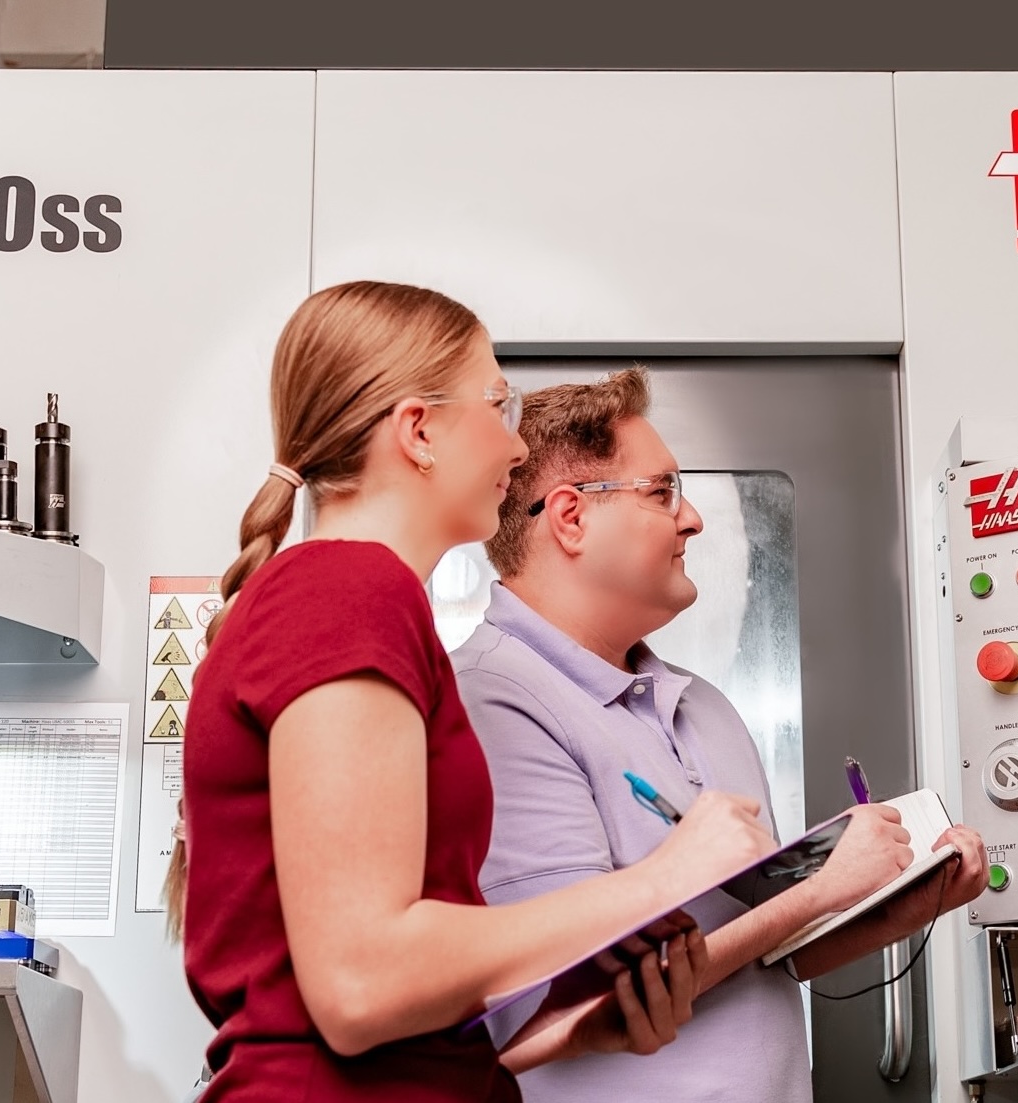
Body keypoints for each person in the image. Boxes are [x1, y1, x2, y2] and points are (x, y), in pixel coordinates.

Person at [176, 282, 778, 1101]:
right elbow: (360, 985)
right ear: (418, 431)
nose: (516, 446)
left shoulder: (365, 601)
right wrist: (663, 877)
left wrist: (572, 1019)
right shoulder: (346, 593)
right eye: (499, 405)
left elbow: (383, 981)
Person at [451, 369, 991, 1103]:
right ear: (571, 518)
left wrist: (889, 906)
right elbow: (564, 1002)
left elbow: (765, 946)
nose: (693, 519)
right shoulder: (488, 699)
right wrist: (818, 888)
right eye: (661, 492)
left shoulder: (703, 704)